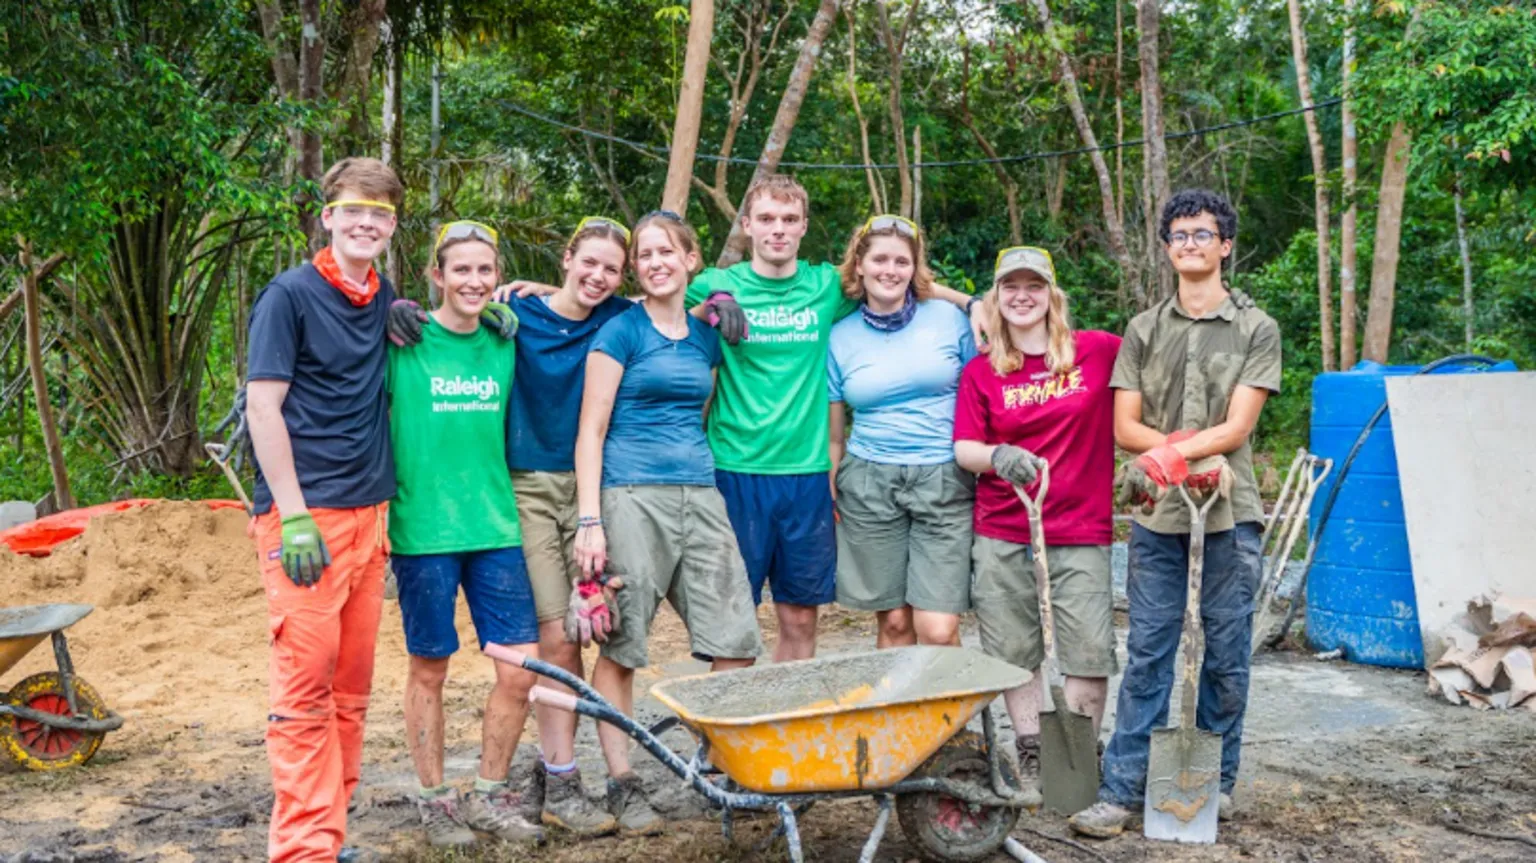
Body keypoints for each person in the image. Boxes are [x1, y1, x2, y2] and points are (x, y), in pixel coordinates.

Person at [684, 174, 986, 661]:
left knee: (801, 617)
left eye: (788, 220)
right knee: (732, 620)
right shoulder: (718, 284)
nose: (777, 230)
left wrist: (972, 302)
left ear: (804, 226)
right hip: (734, 468)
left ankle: (789, 727)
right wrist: (706, 305)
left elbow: (902, 279)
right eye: (765, 219)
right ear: (746, 226)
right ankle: (731, 736)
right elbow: (642, 308)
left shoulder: (825, 286)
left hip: (806, 476)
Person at [1069, 189, 1281, 838]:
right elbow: (1125, 425)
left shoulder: (1257, 328)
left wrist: (1171, 454)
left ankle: (1214, 781)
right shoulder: (1144, 328)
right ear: (1166, 248)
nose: (1190, 244)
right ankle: (1122, 789)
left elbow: (1237, 427)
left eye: (1202, 234)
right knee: (1151, 651)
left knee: (1225, 655)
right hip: (1159, 518)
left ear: (1226, 246)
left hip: (1229, 513)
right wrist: (1169, 461)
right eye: (1179, 235)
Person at [574, 210, 764, 834]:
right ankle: (622, 781)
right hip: (630, 495)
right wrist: (590, 519)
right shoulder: (622, 332)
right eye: (645, 255)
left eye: (666, 252)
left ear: (690, 261)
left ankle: (713, 765)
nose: (654, 262)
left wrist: (722, 298)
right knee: (623, 643)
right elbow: (591, 430)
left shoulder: (708, 333)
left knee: (735, 637)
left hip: (700, 494)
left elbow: (702, 408)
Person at [244, 157, 401, 863]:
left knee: (350, 691)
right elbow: (262, 406)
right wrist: (294, 512)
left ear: (392, 226)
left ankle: (328, 834)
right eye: (354, 209)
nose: (367, 222)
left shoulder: (380, 294)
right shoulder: (290, 296)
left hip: (371, 518)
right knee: (305, 692)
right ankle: (303, 851)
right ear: (328, 215)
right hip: (307, 520)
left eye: (381, 213)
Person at [385, 221, 546, 848]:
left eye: (486, 270)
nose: (475, 281)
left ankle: (489, 793)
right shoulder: (405, 340)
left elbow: (590, 302)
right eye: (462, 270)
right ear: (437, 276)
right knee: (431, 666)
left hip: (495, 524)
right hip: (423, 530)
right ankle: (433, 799)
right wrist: (387, 310)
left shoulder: (506, 339)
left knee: (519, 670)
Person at [952, 246, 1121, 804]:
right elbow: (965, 448)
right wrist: (998, 456)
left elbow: (1156, 370)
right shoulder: (981, 371)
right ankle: (1031, 749)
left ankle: (1075, 755)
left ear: (1053, 295)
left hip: (1080, 526)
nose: (1022, 296)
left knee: (1087, 647)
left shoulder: (1096, 352)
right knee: (1012, 645)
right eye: (1010, 287)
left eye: (1034, 286)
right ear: (995, 298)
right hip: (1004, 526)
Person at [826, 215, 976, 648]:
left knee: (938, 627)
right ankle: (901, 717)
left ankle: (951, 717)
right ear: (859, 264)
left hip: (944, 477)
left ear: (915, 268)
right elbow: (836, 435)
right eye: (880, 259)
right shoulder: (839, 336)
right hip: (870, 480)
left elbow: (980, 394)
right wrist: (829, 483)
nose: (889, 270)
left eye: (901, 261)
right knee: (893, 622)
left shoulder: (949, 319)